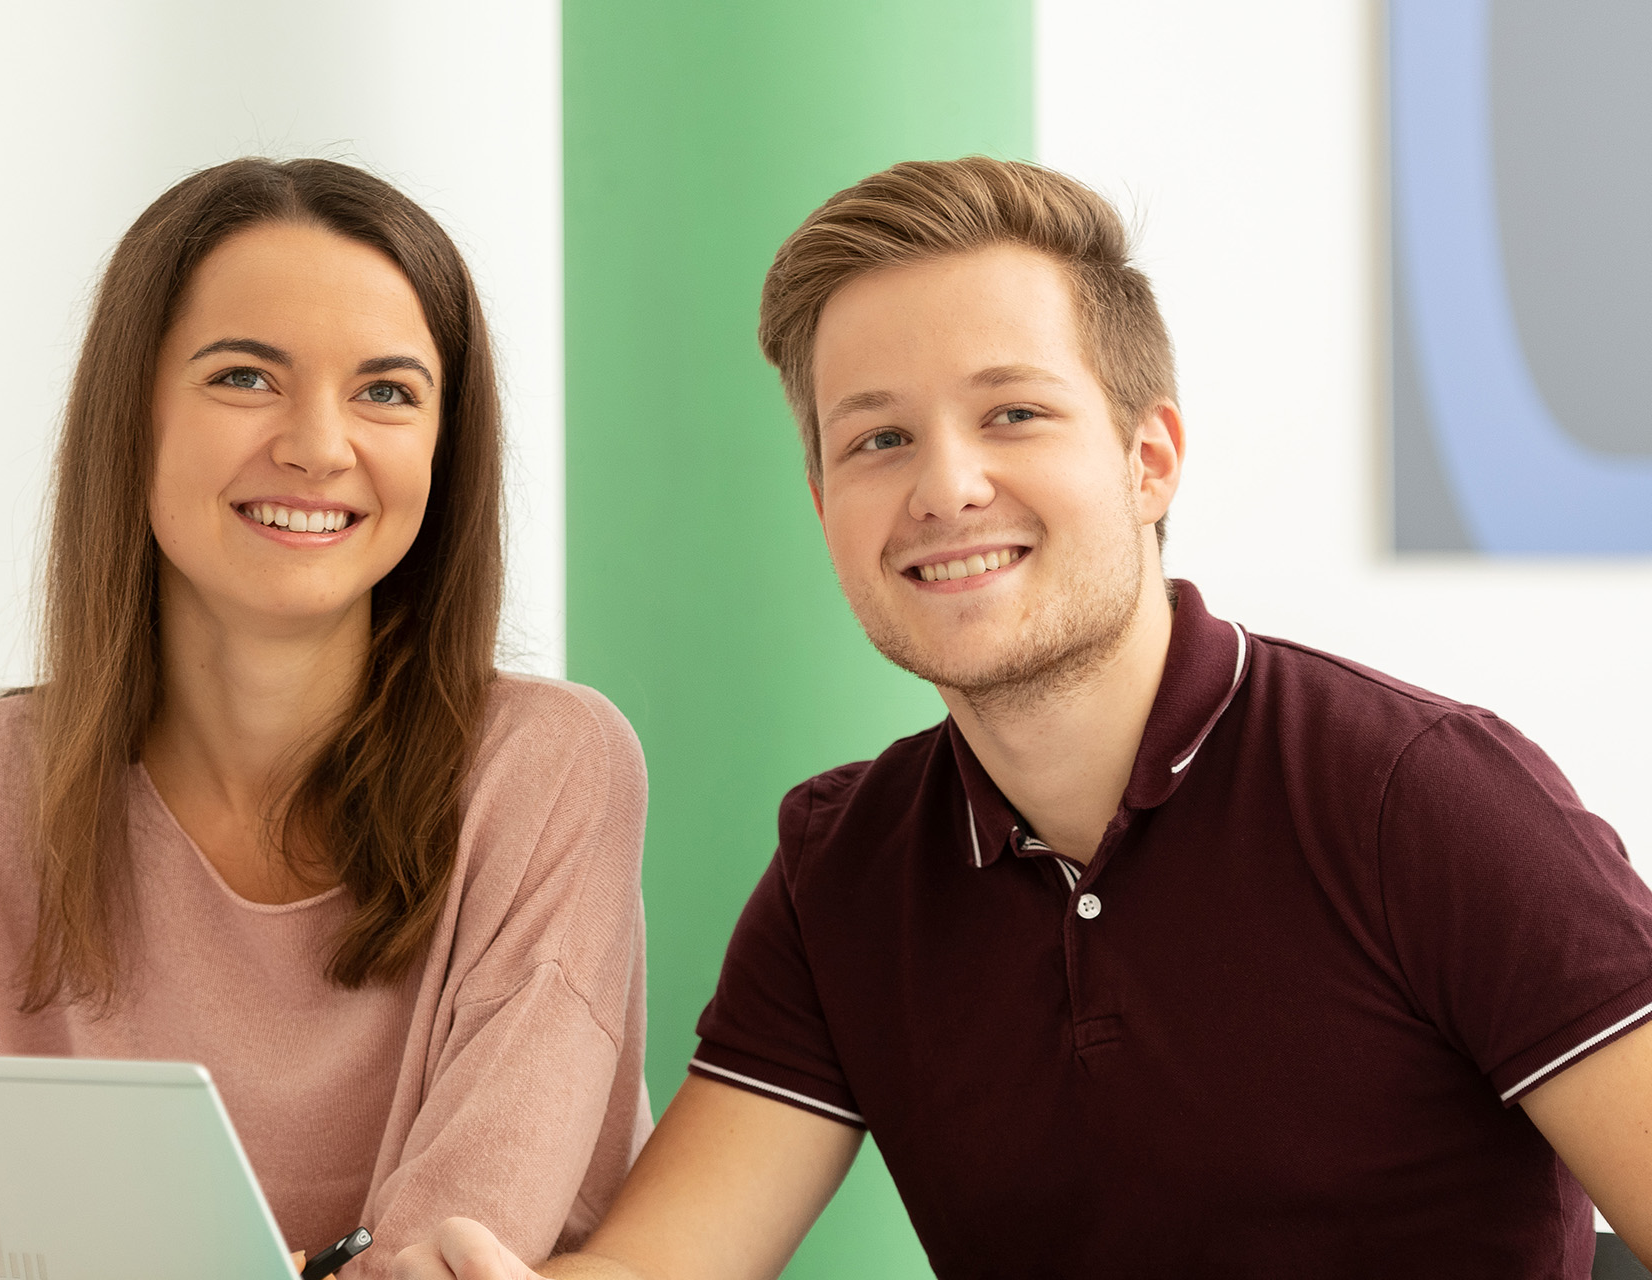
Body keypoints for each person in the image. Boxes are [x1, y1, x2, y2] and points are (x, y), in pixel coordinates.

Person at [393, 158, 1652, 1279]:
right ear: (823, 499)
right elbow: (663, 1263)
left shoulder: (1417, 795)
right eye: (877, 437)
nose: (946, 485)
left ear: (1149, 458)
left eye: (1014, 413)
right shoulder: (847, 868)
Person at [0, 158, 650, 1279]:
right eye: (245, 378)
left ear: (442, 448)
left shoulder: (549, 768)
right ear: (134, 412)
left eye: (387, 391)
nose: (320, 445)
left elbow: (452, 1254)